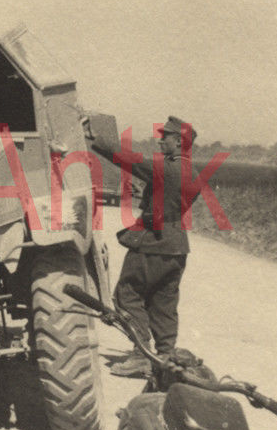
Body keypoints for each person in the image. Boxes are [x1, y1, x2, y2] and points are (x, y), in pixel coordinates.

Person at [85, 115, 200, 378]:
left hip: (153, 243)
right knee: (164, 303)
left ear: (179, 142)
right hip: (177, 245)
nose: (160, 141)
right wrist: (148, 194)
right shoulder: (192, 172)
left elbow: (130, 162)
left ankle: (141, 355)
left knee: (127, 295)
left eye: (166, 137)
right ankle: (165, 355)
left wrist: (96, 140)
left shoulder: (168, 168)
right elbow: (170, 200)